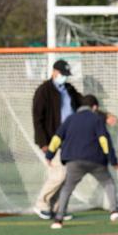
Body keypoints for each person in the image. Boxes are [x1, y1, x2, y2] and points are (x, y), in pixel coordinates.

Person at [45, 94, 118, 229]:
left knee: (67, 188)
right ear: (94, 107)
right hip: (96, 160)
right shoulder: (97, 119)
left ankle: (58, 220)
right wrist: (113, 160)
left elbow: (57, 138)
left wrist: (49, 155)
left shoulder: (70, 119)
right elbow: (104, 140)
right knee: (108, 183)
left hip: (73, 161)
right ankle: (114, 211)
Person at [32, 59, 81, 220]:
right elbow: (37, 118)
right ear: (54, 72)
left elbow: (83, 106)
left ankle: (57, 208)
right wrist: (43, 143)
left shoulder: (69, 89)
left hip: (71, 140)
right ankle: (41, 204)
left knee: (69, 176)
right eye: (62, 74)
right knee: (58, 175)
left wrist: (101, 114)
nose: (64, 77)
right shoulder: (43, 91)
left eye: (66, 75)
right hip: (54, 141)